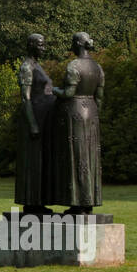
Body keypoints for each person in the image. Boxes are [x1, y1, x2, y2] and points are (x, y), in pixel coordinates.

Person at [49, 32, 104, 213]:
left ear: (78, 44)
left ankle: (78, 202)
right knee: (89, 156)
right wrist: (95, 114)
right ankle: (89, 202)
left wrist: (52, 89)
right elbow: (100, 97)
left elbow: (68, 93)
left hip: (75, 112)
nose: (71, 45)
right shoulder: (97, 67)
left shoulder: (74, 65)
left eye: (73, 42)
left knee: (76, 156)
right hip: (92, 111)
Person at [15, 33, 55, 213]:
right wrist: (32, 124)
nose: (43, 47)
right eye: (40, 44)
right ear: (31, 45)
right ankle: (30, 203)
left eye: (43, 44)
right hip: (34, 120)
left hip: (43, 119)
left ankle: (38, 202)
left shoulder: (37, 66)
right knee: (32, 162)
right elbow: (25, 97)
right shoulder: (26, 67)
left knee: (40, 162)